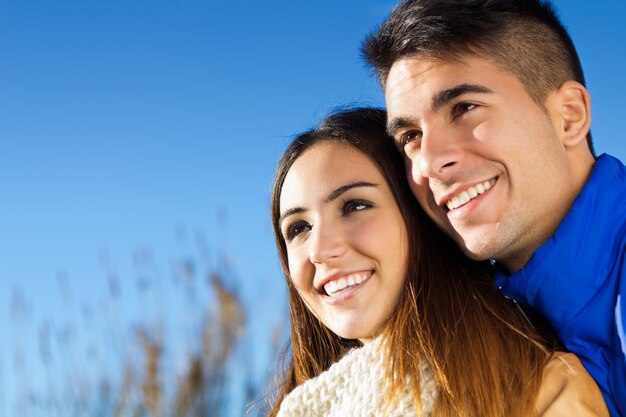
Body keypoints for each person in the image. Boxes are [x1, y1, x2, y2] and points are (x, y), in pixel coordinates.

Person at [361, 1, 626, 416]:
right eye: (410, 136)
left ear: (569, 116)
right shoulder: (470, 333)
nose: (428, 162)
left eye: (464, 108)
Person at [267, 107, 607, 416]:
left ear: (420, 214)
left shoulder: (540, 387)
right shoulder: (299, 409)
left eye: (355, 206)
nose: (320, 249)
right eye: (298, 228)